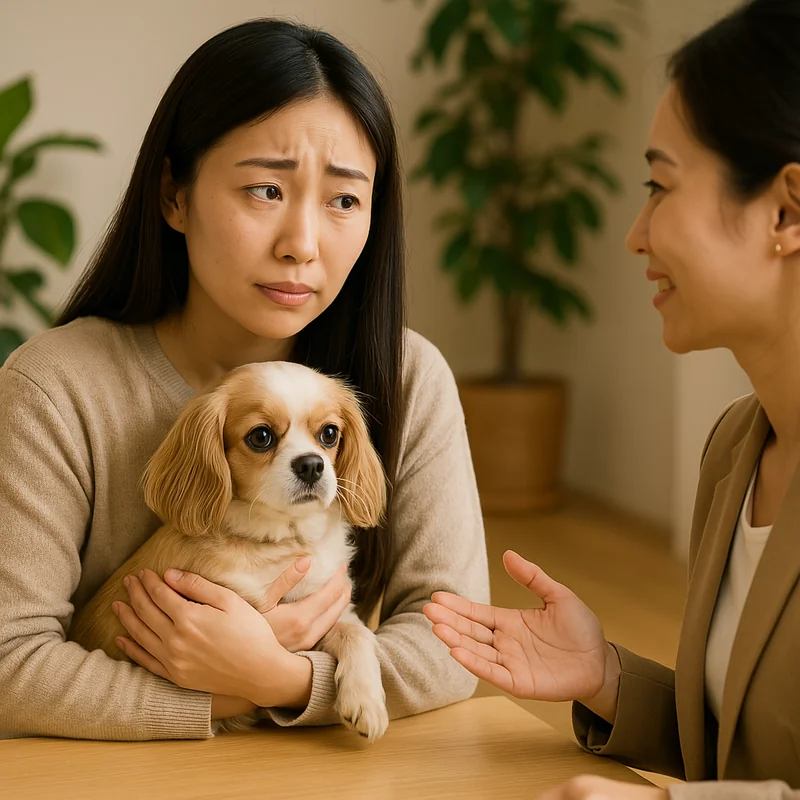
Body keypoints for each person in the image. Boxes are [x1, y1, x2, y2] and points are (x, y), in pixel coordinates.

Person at [0, 18, 489, 740]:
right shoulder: (55, 386)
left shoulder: (408, 375)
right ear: (173, 195)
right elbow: (10, 663)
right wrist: (213, 698)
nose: (302, 244)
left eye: (345, 200)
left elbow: (454, 642)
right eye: (265, 190)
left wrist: (283, 680)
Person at [424, 0, 800, 797]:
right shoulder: (738, 447)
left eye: (660, 186)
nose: (636, 233)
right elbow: (746, 754)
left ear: (786, 210)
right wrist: (605, 678)